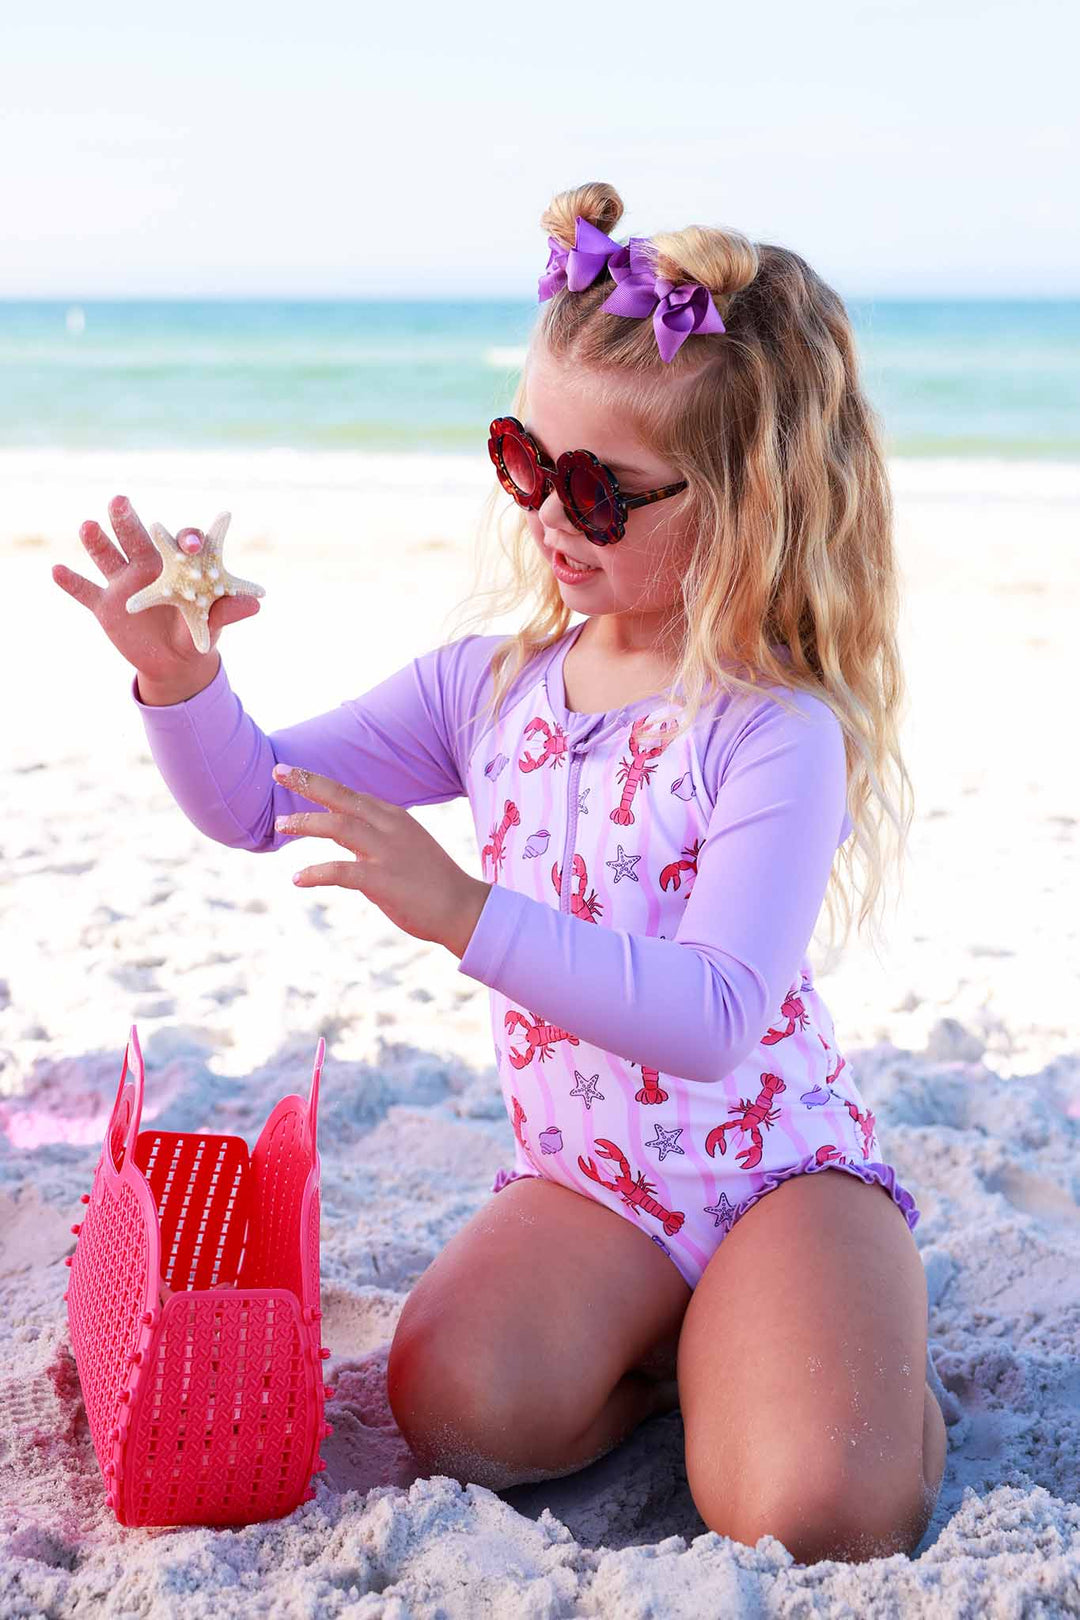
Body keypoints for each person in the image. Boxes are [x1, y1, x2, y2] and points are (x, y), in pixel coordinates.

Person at [51, 181, 947, 1566]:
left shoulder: (774, 729)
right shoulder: (493, 688)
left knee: (817, 1512)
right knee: (453, 1408)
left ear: (751, 499)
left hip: (774, 1176)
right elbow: (257, 802)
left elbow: (713, 1016)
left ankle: (828, 1338)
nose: (548, 507)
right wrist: (182, 683)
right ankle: (678, 1356)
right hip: (590, 1182)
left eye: (598, 487)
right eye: (524, 457)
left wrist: (464, 912)